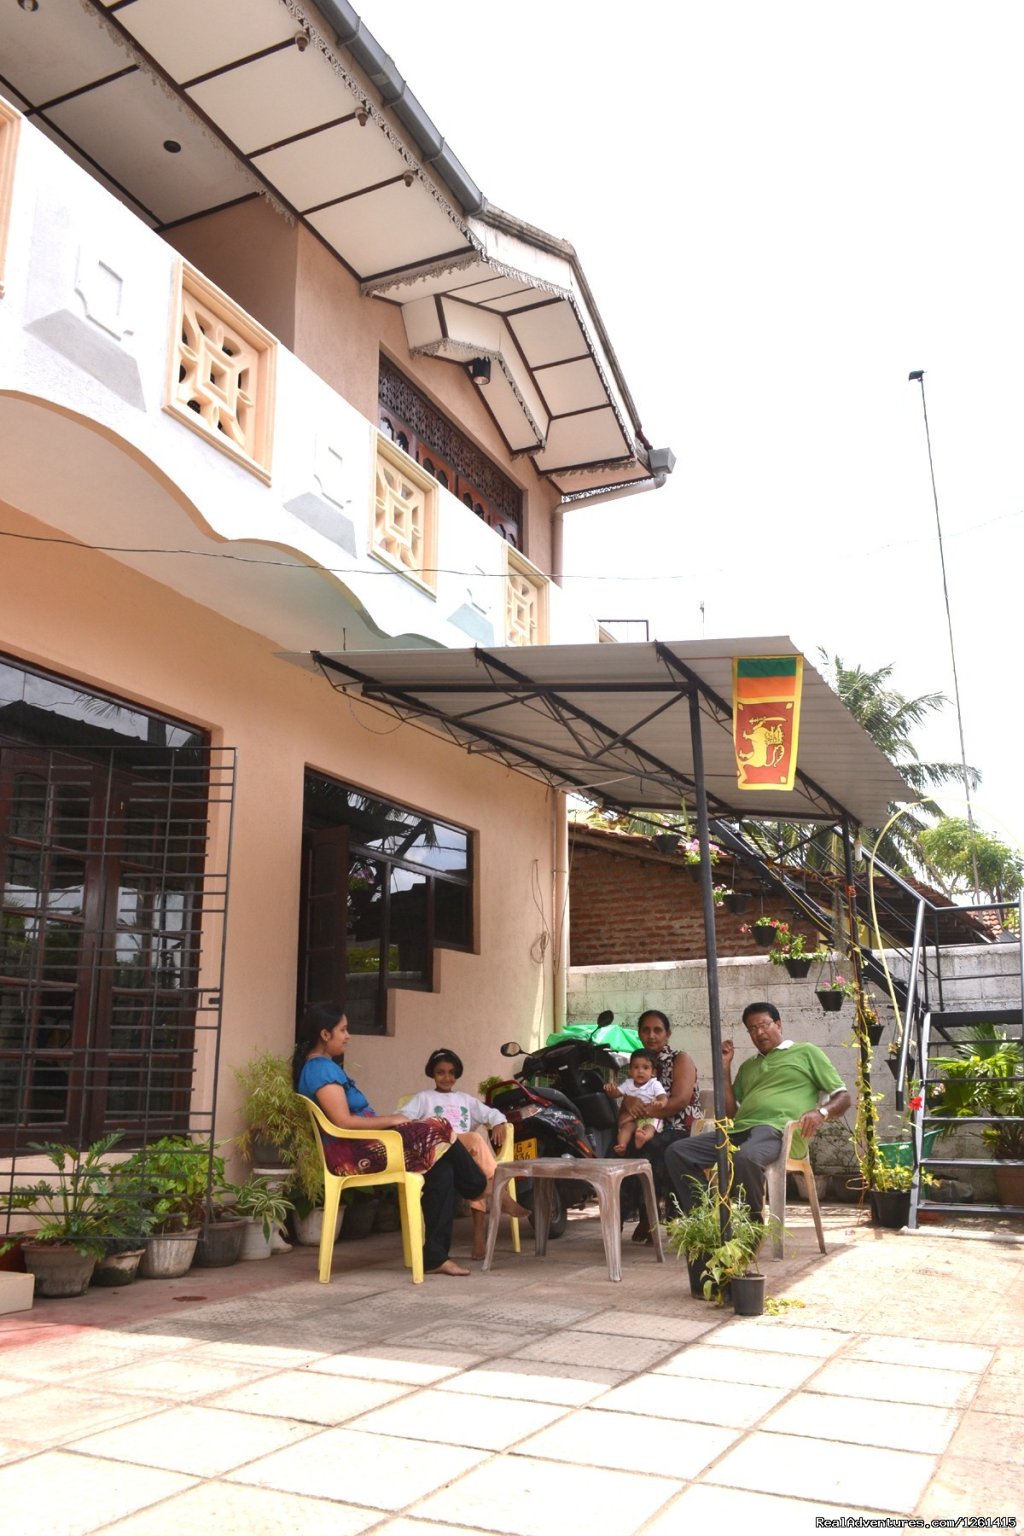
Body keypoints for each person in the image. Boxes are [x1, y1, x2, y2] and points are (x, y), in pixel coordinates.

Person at [294, 1002, 486, 1277]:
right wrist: (392, 1120)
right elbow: (343, 1122)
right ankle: (479, 1186)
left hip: (370, 1144)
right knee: (438, 1125)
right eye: (343, 1030)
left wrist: (393, 1122)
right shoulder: (320, 1070)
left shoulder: (322, 1068)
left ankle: (435, 1258)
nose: (348, 1036)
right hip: (357, 1153)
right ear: (325, 1035)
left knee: (442, 1168)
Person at [665, 1000, 851, 1219]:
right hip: (738, 1132)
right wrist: (725, 1068)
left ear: (779, 1025)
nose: (759, 1032)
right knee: (677, 1152)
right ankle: (706, 1219)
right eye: (752, 1029)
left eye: (764, 1024)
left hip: (777, 1132)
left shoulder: (805, 1052)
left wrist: (821, 1113)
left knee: (746, 1157)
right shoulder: (748, 1066)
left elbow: (844, 1096)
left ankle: (750, 1228)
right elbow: (730, 1114)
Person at [398, 1047, 527, 1258]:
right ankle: (500, 1193)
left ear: (456, 1075)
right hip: (438, 1152)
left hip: (463, 1157)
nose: (446, 1077)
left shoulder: (465, 1100)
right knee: (476, 1140)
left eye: (451, 1073)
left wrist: (499, 1123)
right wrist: (422, 1129)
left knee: (477, 1164)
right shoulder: (424, 1098)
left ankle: (479, 1236)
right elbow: (402, 1117)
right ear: (432, 1073)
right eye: (440, 1072)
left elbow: (492, 1113)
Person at [618, 1009, 703, 1242]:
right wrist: (629, 1101)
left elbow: (680, 1100)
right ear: (639, 1034)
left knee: (653, 1147)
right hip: (645, 1128)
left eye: (657, 1030)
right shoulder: (636, 1065)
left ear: (668, 1034)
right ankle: (619, 1218)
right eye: (646, 1030)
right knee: (620, 1150)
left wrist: (641, 1107)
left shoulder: (680, 1059)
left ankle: (652, 1217)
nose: (651, 1035)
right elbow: (624, 1108)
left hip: (680, 1128)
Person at [605, 1048, 668, 1154]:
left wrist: (660, 1103)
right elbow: (616, 1094)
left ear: (653, 1072)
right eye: (636, 1067)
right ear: (630, 1070)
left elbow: (663, 1097)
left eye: (645, 1068)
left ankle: (643, 1138)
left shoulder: (654, 1084)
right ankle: (622, 1146)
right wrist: (610, 1090)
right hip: (633, 1118)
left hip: (649, 1116)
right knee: (626, 1128)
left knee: (650, 1128)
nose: (640, 1071)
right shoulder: (628, 1084)